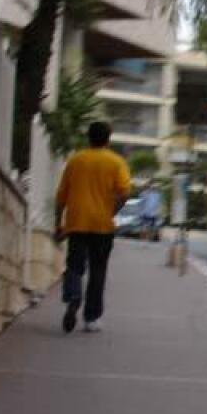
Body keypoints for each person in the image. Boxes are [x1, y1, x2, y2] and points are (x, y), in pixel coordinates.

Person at [54, 121, 131, 334]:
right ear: (108, 139)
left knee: (74, 265)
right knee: (98, 270)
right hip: (102, 224)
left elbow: (61, 196)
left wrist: (58, 224)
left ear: (88, 137)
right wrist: (112, 210)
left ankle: (73, 296)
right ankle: (91, 318)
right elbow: (125, 192)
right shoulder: (116, 162)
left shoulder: (75, 160)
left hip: (76, 222)